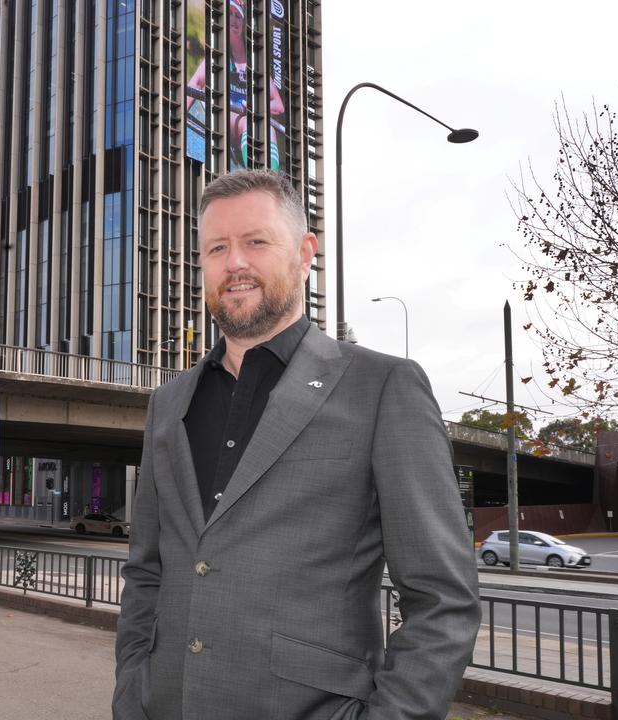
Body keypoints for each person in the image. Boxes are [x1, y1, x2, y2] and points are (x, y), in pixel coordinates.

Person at [113, 169, 480, 720]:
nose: (234, 262)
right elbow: (147, 572)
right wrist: (132, 691)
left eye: (256, 242)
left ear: (306, 254)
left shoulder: (383, 389)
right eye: (217, 248)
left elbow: (443, 600)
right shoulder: (169, 403)